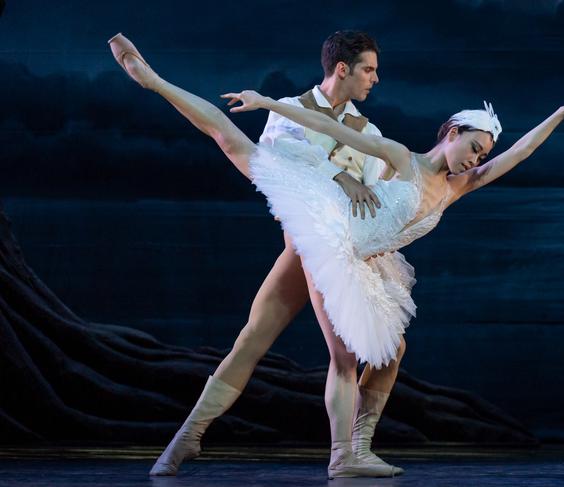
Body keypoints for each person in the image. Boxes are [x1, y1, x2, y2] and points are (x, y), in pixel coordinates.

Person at [108, 32, 564, 478]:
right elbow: (325, 139)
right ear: (453, 134)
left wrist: (562, 113)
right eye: (475, 148)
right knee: (236, 146)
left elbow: (516, 153)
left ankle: (196, 444)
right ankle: (151, 80)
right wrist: (268, 103)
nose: (477, 160)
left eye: (483, 154)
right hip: (325, 232)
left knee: (373, 351)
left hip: (353, 248)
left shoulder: (452, 182)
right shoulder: (399, 154)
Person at [108, 32, 408, 478]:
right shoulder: (289, 111)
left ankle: (346, 451)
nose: (375, 79)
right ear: (341, 68)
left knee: (359, 352)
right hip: (307, 245)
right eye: (369, 69)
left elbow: (372, 194)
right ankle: (189, 438)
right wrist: (340, 177)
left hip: (336, 250)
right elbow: (281, 160)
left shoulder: (370, 131)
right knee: (271, 344)